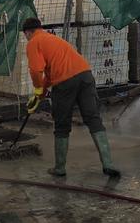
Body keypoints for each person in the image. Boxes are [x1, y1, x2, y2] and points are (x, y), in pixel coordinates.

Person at [23, 17, 121, 178]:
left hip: (65, 83)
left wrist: (39, 89)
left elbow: (35, 70)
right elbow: (49, 71)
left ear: (27, 32)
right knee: (93, 118)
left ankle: (59, 168)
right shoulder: (53, 39)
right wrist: (40, 94)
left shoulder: (33, 42)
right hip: (85, 76)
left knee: (62, 124)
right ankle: (108, 164)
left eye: (25, 35)